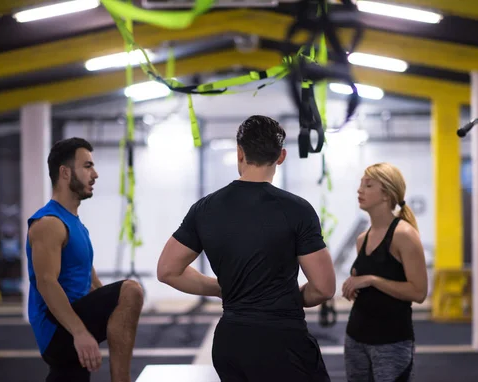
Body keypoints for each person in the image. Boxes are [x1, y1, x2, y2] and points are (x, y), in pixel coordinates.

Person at [157, 115, 336, 382]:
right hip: (283, 340)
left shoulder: (206, 209)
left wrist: (222, 289)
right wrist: (286, 299)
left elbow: (168, 270)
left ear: (240, 153)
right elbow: (323, 288)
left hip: (231, 340)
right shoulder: (297, 210)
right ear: (282, 156)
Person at [26, 137, 143, 382]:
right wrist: (80, 332)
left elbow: (91, 283)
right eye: (88, 166)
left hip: (72, 321)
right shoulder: (49, 223)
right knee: (131, 290)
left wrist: (118, 315)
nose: (96, 174)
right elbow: (46, 282)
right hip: (57, 328)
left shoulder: (75, 224)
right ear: (65, 172)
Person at [341, 162, 428, 382]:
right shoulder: (362, 239)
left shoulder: (404, 235)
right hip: (355, 338)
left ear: (386, 194)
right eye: (360, 185)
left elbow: (418, 292)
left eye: (368, 185)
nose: (360, 190)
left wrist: (372, 280)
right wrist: (353, 286)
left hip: (391, 342)